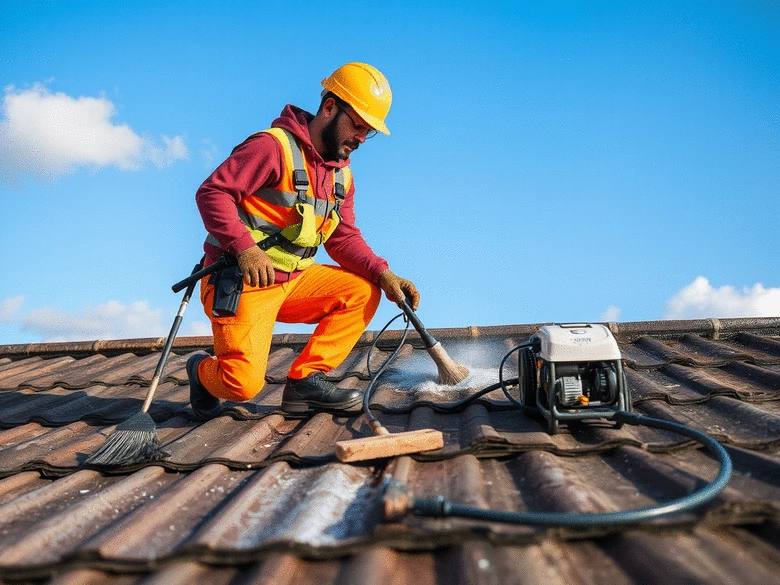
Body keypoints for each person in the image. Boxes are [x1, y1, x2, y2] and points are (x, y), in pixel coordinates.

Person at [187, 62, 420, 418]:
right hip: (243, 282)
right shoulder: (271, 147)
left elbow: (342, 239)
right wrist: (245, 249)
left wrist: (383, 273)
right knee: (243, 386)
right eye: (357, 125)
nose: (360, 138)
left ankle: (305, 381)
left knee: (363, 291)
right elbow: (212, 193)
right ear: (329, 108)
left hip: (294, 282)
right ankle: (201, 371)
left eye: (368, 132)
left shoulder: (342, 178)